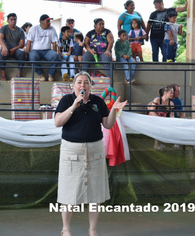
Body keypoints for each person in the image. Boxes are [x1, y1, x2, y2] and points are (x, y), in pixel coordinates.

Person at [54, 71, 127, 236]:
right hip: (71, 153)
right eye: (79, 82)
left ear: (90, 86)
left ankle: (92, 230)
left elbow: (108, 125)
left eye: (86, 82)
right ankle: (66, 229)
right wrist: (74, 106)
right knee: (69, 192)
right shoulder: (66, 100)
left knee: (95, 193)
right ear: (74, 86)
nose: (82, 85)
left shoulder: (98, 101)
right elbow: (58, 122)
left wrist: (114, 110)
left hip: (95, 151)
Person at [26, 14, 61, 82]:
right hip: (35, 51)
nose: (49, 23)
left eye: (49, 21)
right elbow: (29, 42)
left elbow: (54, 43)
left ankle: (50, 74)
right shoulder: (33, 28)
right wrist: (28, 54)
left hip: (47, 51)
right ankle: (41, 74)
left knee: (55, 55)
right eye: (47, 21)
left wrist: (54, 52)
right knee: (32, 57)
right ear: (41, 22)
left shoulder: (52, 28)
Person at [0, 13, 26, 80]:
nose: (13, 21)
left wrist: (14, 49)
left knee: (22, 52)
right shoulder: (3, 28)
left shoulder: (20, 30)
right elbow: (0, 38)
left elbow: (22, 44)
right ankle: (3, 73)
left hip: (16, 51)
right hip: (6, 50)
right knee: (2, 51)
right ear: (7, 20)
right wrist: (4, 47)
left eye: (14, 19)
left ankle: (19, 73)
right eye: (11, 19)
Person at [148, 85, 174, 149]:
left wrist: (172, 122)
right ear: (165, 93)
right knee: (158, 127)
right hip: (153, 118)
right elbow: (151, 111)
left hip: (163, 120)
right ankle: (156, 145)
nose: (172, 94)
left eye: (173, 93)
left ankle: (174, 143)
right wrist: (159, 119)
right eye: (171, 93)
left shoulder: (171, 103)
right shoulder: (157, 100)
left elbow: (172, 115)